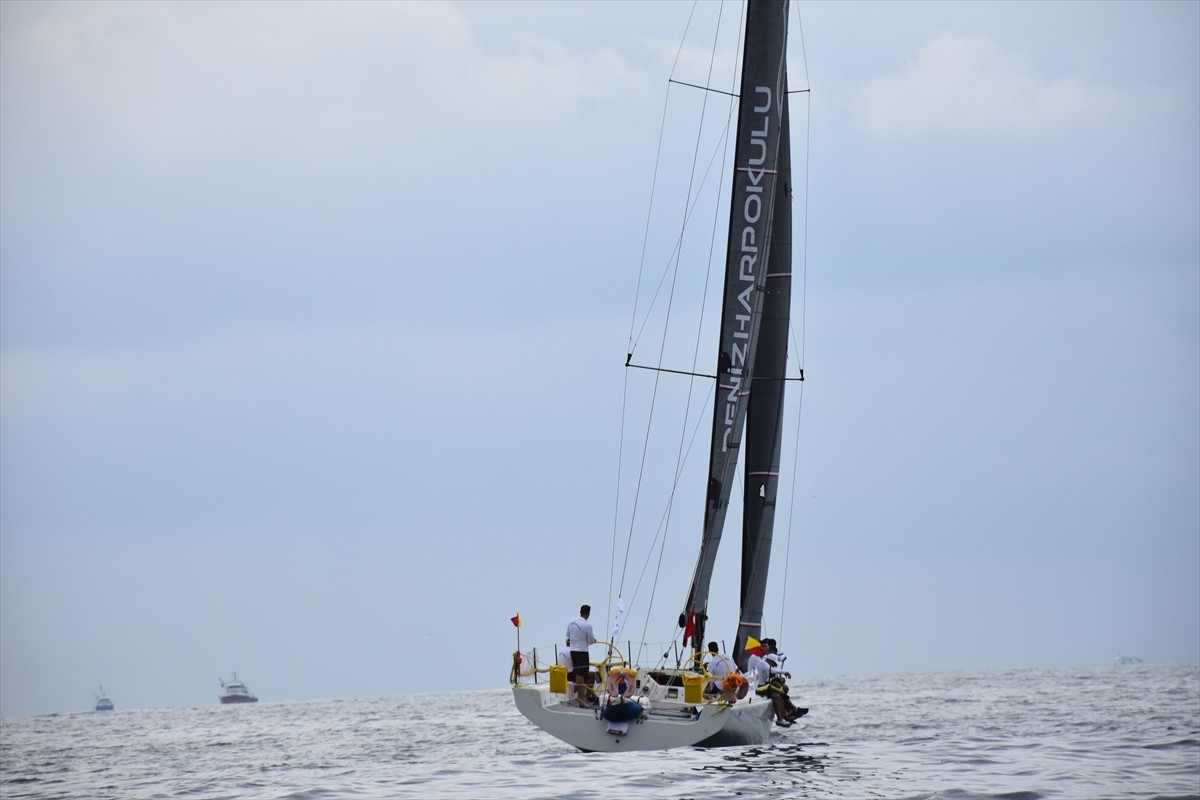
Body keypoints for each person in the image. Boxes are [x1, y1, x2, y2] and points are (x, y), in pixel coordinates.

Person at [761, 638, 808, 723]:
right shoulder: (766, 658)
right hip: (761, 686)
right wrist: (785, 672)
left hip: (768, 684)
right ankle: (786, 714)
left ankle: (789, 712)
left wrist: (781, 678)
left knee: (784, 687)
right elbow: (772, 669)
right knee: (778, 690)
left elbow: (775, 670)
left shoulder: (770, 658)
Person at [566, 604, 597, 707]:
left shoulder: (571, 621)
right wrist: (592, 641)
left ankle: (583, 695)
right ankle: (580, 697)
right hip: (582, 651)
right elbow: (592, 640)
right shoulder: (587, 625)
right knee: (581, 674)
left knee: (578, 672)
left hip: (573, 650)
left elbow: (568, 635)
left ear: (580, 611)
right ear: (588, 614)